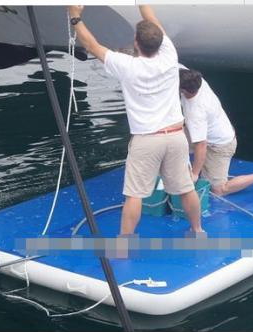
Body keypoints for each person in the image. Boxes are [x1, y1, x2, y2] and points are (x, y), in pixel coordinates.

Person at [68, 6, 203, 234]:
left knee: (134, 195)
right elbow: (151, 18)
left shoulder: (127, 65)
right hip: (176, 136)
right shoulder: (170, 55)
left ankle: (123, 244)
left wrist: (74, 15)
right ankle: (198, 231)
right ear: (160, 42)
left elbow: (91, 46)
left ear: (136, 44)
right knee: (186, 189)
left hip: (147, 140)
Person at [179, 67, 253, 196]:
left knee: (219, 190)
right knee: (170, 138)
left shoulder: (196, 111)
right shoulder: (195, 79)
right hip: (209, 132)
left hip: (219, 146)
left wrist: (194, 173)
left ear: (183, 90)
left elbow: (201, 145)